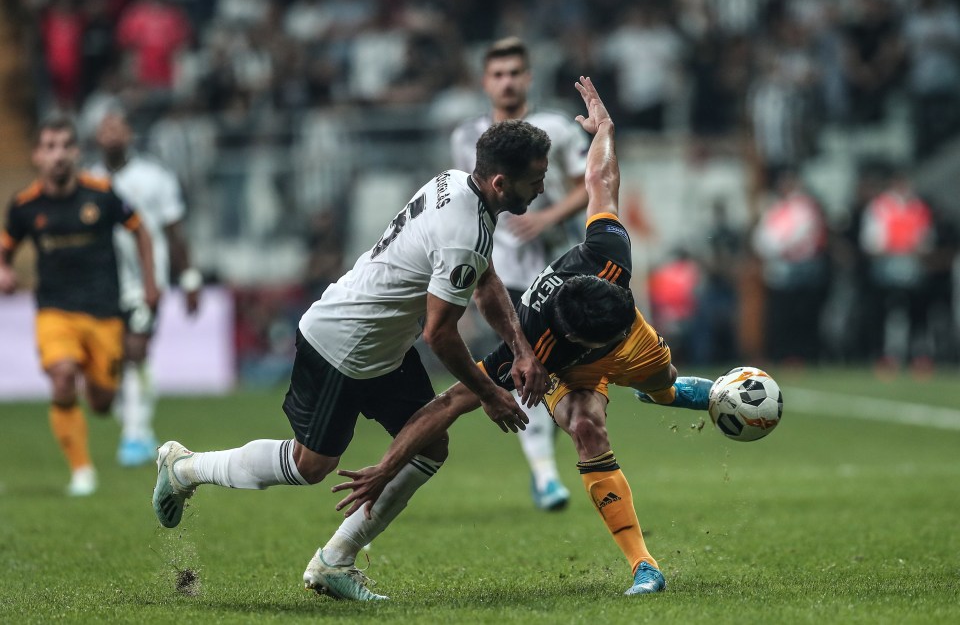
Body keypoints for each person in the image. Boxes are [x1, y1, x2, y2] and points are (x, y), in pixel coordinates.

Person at [332, 78, 713, 598]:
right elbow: (445, 406)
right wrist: (385, 467)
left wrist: (604, 131)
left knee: (666, 384)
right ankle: (643, 564)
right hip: (571, 372)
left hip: (633, 338)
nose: (541, 188)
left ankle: (665, 390)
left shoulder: (608, 256)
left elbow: (602, 181)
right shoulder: (539, 341)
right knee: (585, 426)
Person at [151, 119, 552, 600]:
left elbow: (485, 282)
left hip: (384, 346)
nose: (543, 188)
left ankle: (333, 562)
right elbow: (440, 335)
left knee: (431, 445)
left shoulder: (455, 186)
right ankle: (184, 468)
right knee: (310, 466)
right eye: (536, 179)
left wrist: (521, 350)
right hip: (342, 344)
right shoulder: (463, 232)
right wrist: (490, 394)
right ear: (500, 183)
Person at [451, 36, 589, 511]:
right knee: (526, 366)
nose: (507, 81)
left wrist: (546, 218)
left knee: (564, 371)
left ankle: (550, 463)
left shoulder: (555, 127)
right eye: (498, 74)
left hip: (558, 268)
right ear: (485, 82)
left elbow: (585, 188)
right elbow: (466, 207)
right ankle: (547, 475)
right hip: (502, 272)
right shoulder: (465, 136)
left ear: (528, 77)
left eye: (515, 72)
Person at [0, 115, 158, 496]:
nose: (58, 155)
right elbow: (5, 251)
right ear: (37, 156)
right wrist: (3, 272)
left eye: (64, 146)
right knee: (62, 376)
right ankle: (82, 471)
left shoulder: (102, 194)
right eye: (49, 147)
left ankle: (96, 386)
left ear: (76, 152)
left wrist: (151, 285)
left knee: (102, 402)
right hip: (55, 312)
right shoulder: (24, 206)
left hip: (105, 312)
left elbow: (140, 231)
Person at [89, 110, 202, 467]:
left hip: (145, 281)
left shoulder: (154, 177)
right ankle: (135, 425)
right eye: (106, 127)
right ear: (96, 136)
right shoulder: (88, 181)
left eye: (118, 126)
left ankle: (134, 435)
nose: (112, 133)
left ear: (129, 134)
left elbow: (174, 231)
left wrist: (189, 278)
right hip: (102, 284)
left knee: (136, 350)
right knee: (114, 358)